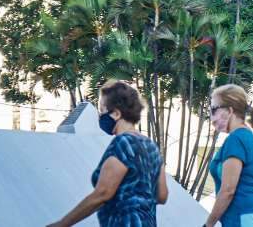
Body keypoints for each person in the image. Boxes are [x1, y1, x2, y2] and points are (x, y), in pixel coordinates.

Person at [47, 80, 168, 227]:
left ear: (116, 113)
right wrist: (137, 194)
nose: (100, 118)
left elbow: (103, 193)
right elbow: (162, 196)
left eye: (102, 111)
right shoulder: (152, 147)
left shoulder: (123, 143)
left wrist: (62, 224)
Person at [203, 84, 253, 227]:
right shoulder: (251, 137)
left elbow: (228, 190)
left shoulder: (236, 139)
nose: (211, 117)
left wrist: (208, 225)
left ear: (229, 110)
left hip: (242, 219)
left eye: (214, 109)